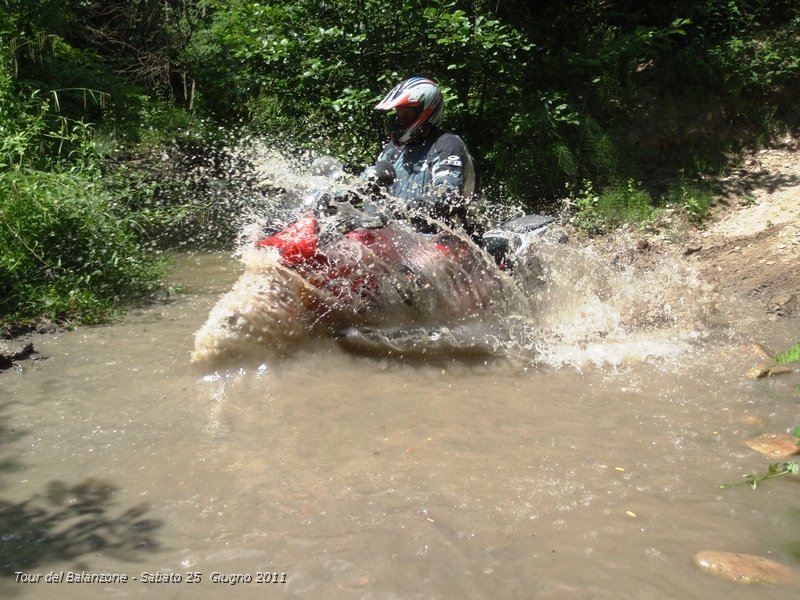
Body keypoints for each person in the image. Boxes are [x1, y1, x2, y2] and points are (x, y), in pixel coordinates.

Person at [364, 76, 477, 234]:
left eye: (406, 116)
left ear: (427, 112)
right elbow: (366, 182)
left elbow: (447, 195)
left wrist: (404, 207)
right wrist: (341, 195)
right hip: (396, 239)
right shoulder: (394, 149)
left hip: (441, 240)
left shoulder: (446, 144)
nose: (400, 122)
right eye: (398, 115)